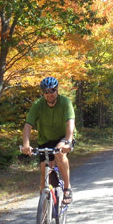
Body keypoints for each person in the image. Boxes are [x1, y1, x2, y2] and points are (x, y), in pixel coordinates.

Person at [21, 76, 75, 204]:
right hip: (45, 140)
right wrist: (26, 145)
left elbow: (70, 123)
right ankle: (45, 208)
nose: (49, 94)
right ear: (43, 93)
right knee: (44, 174)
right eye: (46, 92)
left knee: (59, 154)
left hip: (63, 137)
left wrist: (68, 142)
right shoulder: (38, 105)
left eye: (52, 90)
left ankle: (67, 188)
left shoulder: (65, 102)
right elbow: (28, 125)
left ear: (57, 90)